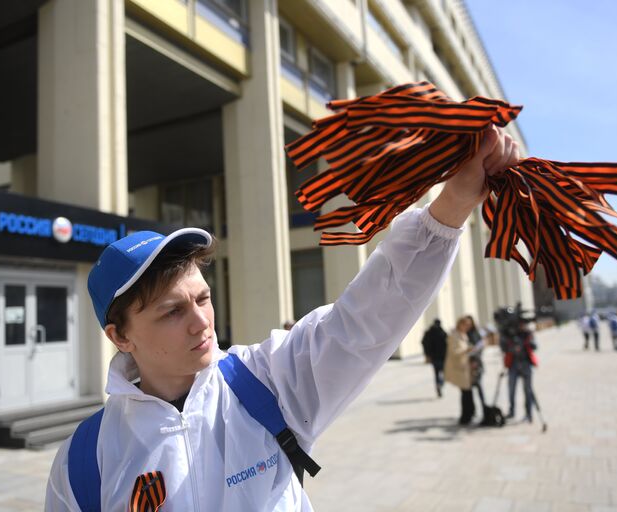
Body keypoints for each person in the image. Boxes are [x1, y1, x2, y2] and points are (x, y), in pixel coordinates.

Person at [45, 125, 520, 511]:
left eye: (203, 298)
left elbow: (367, 318)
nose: (201, 322)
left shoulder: (264, 383)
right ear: (120, 335)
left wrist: (453, 204)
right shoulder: (85, 460)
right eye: (172, 311)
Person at [500, 318, 538, 422]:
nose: (521, 326)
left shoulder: (528, 334)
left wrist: (527, 343)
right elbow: (503, 347)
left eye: (523, 324)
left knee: (528, 390)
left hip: (526, 365)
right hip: (513, 365)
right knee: (511, 389)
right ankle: (511, 411)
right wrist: (511, 346)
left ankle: (529, 414)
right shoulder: (510, 334)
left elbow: (535, 346)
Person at [444, 316, 475, 425]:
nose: (468, 327)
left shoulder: (463, 334)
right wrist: (466, 350)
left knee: (467, 392)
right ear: (460, 324)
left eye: (469, 325)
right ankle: (465, 417)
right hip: (458, 368)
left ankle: (470, 413)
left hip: (464, 367)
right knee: (465, 392)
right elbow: (454, 352)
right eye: (466, 324)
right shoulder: (454, 335)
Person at [421, 319, 448, 397]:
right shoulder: (442, 332)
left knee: (436, 373)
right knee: (443, 372)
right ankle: (440, 384)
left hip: (434, 357)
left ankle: (438, 385)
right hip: (441, 357)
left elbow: (423, 342)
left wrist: (427, 354)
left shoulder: (429, 332)